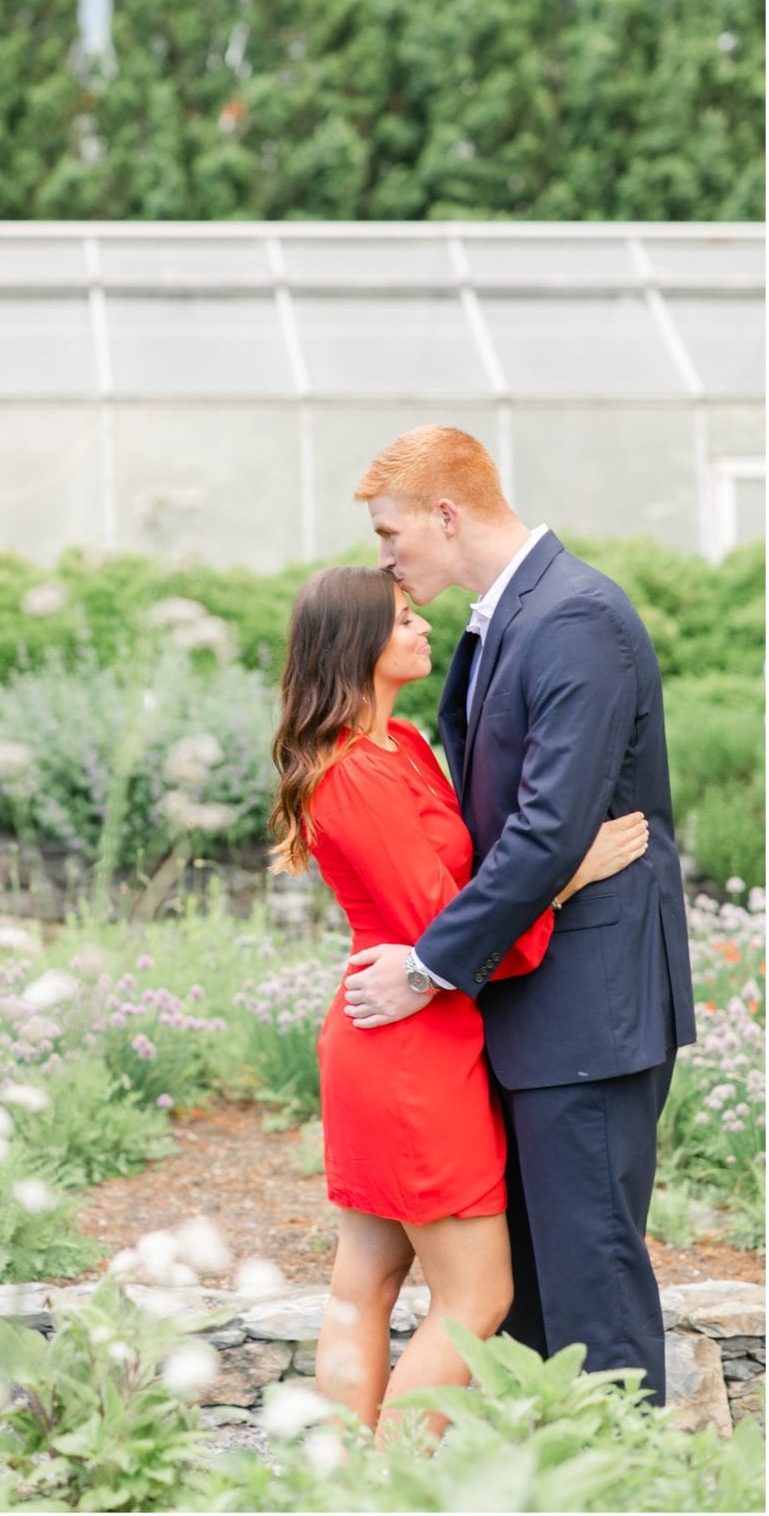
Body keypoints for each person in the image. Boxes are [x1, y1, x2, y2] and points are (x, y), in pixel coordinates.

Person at [342, 424, 695, 1411]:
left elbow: (546, 830)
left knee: (588, 1280)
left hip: (587, 1012)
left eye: (388, 532)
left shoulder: (573, 616)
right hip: (532, 1000)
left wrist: (424, 966)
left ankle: (625, 1483)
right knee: (537, 1288)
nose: (383, 559)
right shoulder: (506, 619)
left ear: (445, 516)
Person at [268, 564, 648, 1437]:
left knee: (364, 1281)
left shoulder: (398, 744)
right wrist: (563, 878)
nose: (422, 628)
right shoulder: (356, 772)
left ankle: (341, 1489)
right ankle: (394, 1487)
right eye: (403, 619)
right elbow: (443, 925)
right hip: (408, 1045)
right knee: (479, 1294)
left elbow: (458, 891)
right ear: (357, 643)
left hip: (398, 1030)